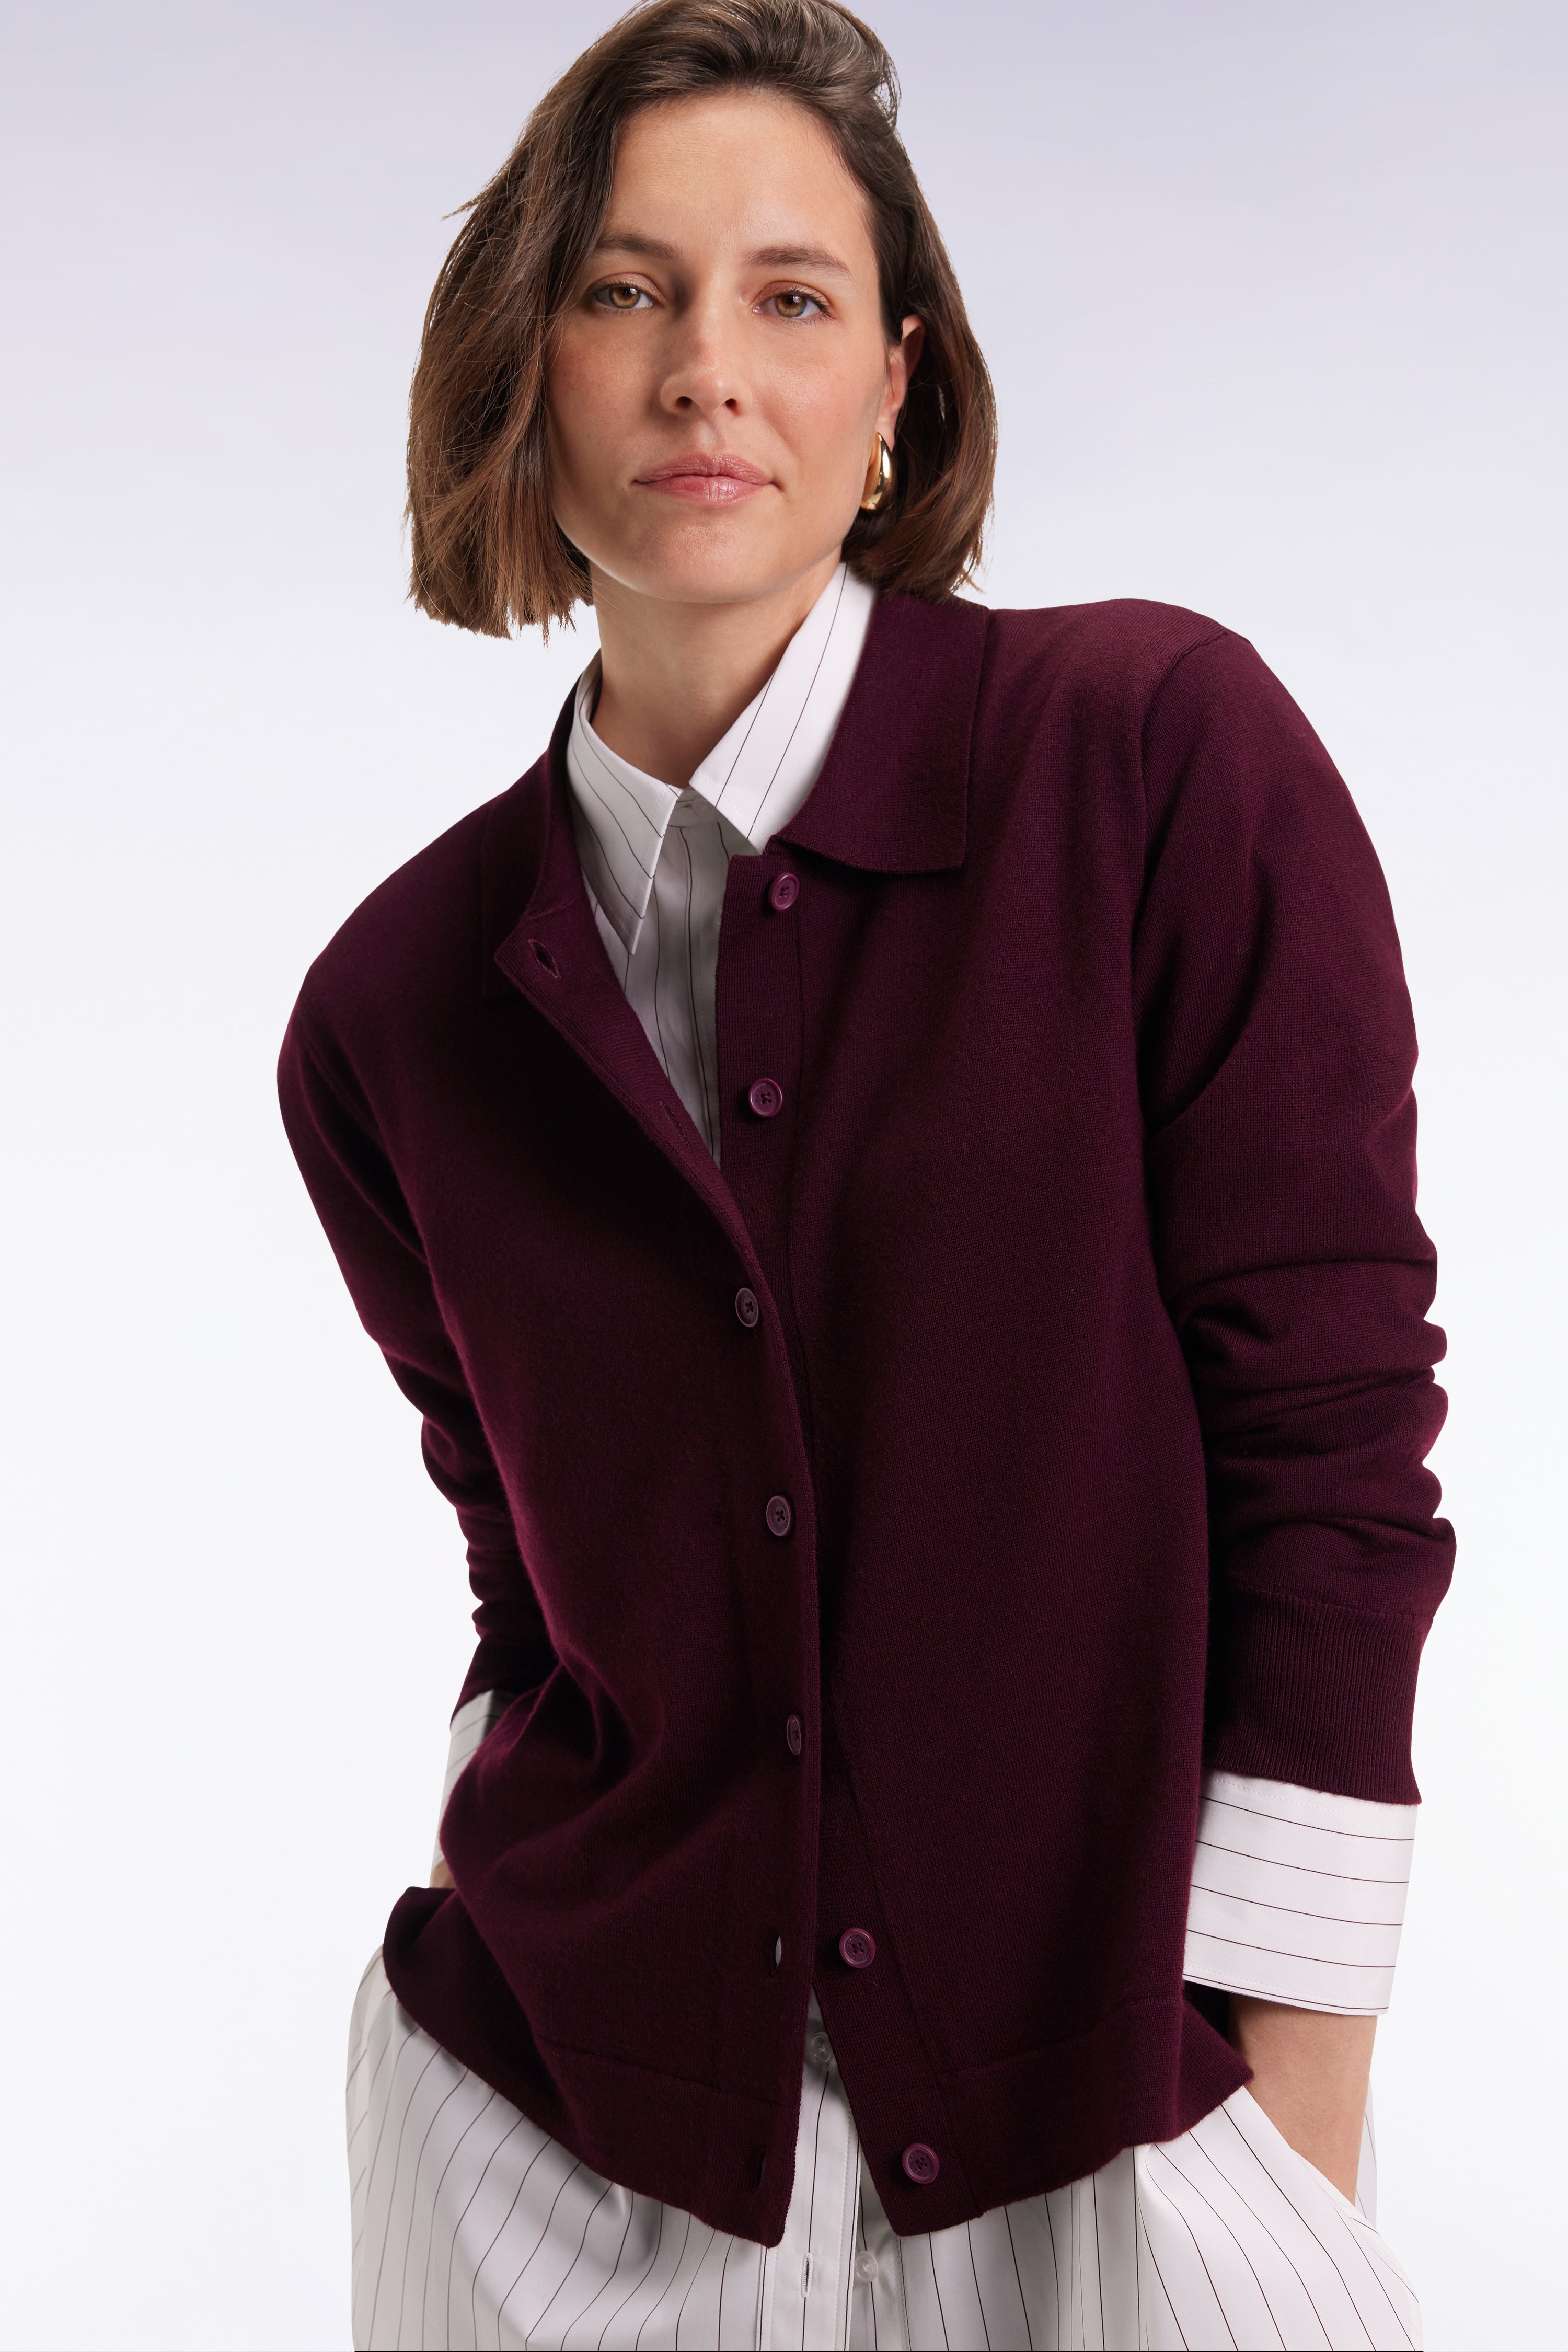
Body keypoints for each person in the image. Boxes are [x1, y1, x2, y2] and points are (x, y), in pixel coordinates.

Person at [279, 2, 1453, 2344]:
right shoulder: (392, 1011)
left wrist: (1289, 2133)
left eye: (792, 297)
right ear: (529, 370)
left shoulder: (1150, 764)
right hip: (558, 2164)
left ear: (895, 385)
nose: (707, 370)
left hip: (1122, 2140)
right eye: (626, 291)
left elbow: (1330, 1442)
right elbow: (530, 1579)